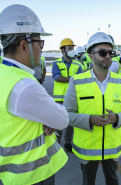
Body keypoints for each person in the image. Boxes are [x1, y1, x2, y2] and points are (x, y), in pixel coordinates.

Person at [0, 4, 69, 185]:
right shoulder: (24, 86)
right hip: (30, 176)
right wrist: (49, 117)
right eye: (40, 43)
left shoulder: (3, 74)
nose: (42, 48)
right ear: (24, 46)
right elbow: (62, 120)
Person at [63, 32, 121, 185]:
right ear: (91, 56)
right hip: (87, 149)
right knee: (88, 182)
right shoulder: (76, 81)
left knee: (113, 180)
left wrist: (117, 118)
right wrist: (88, 119)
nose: (108, 56)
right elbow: (66, 114)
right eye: (103, 53)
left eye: (111, 52)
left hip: (112, 148)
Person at [52, 38, 82, 152]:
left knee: (70, 122)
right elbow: (57, 77)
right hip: (59, 98)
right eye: (70, 48)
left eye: (73, 48)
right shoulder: (56, 63)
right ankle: (56, 144)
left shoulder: (77, 64)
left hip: (72, 98)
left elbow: (79, 80)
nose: (72, 50)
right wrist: (72, 80)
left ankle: (68, 143)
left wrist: (70, 80)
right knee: (59, 122)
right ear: (63, 50)